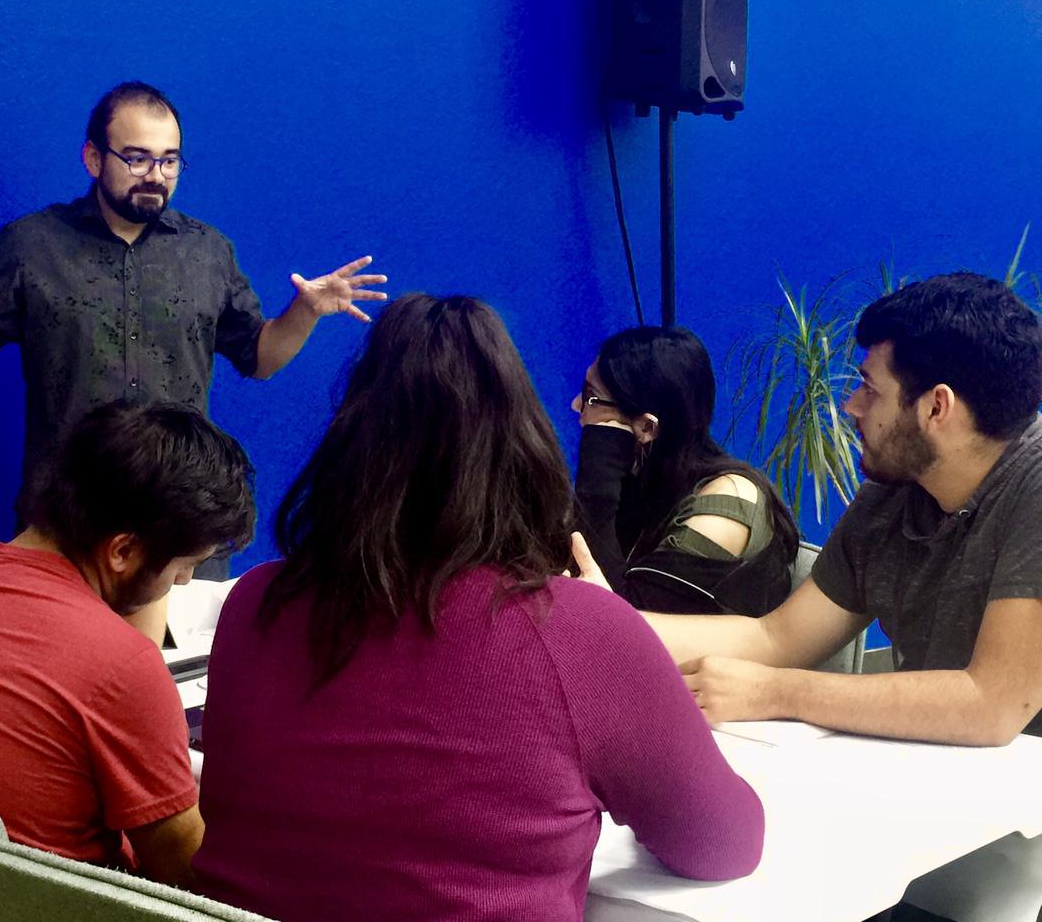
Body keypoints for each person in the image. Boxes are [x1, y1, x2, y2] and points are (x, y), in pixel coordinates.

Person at [190, 294, 764, 922]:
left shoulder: (253, 604)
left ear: (351, 437)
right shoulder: (580, 632)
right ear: (524, 445)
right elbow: (725, 842)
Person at [0, 80, 385, 535]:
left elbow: (260, 359)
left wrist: (305, 312)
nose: (156, 176)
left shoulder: (208, 251)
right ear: (94, 158)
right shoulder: (31, 244)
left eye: (169, 161)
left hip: (180, 516)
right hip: (64, 515)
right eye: (137, 158)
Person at [0, 401, 255, 888]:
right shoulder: (121, 665)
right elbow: (188, 874)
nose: (185, 581)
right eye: (183, 564)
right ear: (123, 551)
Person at [628, 272, 1042, 745]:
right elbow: (777, 639)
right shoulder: (894, 495)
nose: (850, 406)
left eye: (870, 389)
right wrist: (597, 620)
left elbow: (991, 704)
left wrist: (780, 692)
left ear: (936, 408)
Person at [573, 326, 798, 615]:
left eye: (591, 398)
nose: (576, 405)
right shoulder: (647, 482)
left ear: (646, 427)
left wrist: (598, 478)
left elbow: (627, 625)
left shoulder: (728, 503)